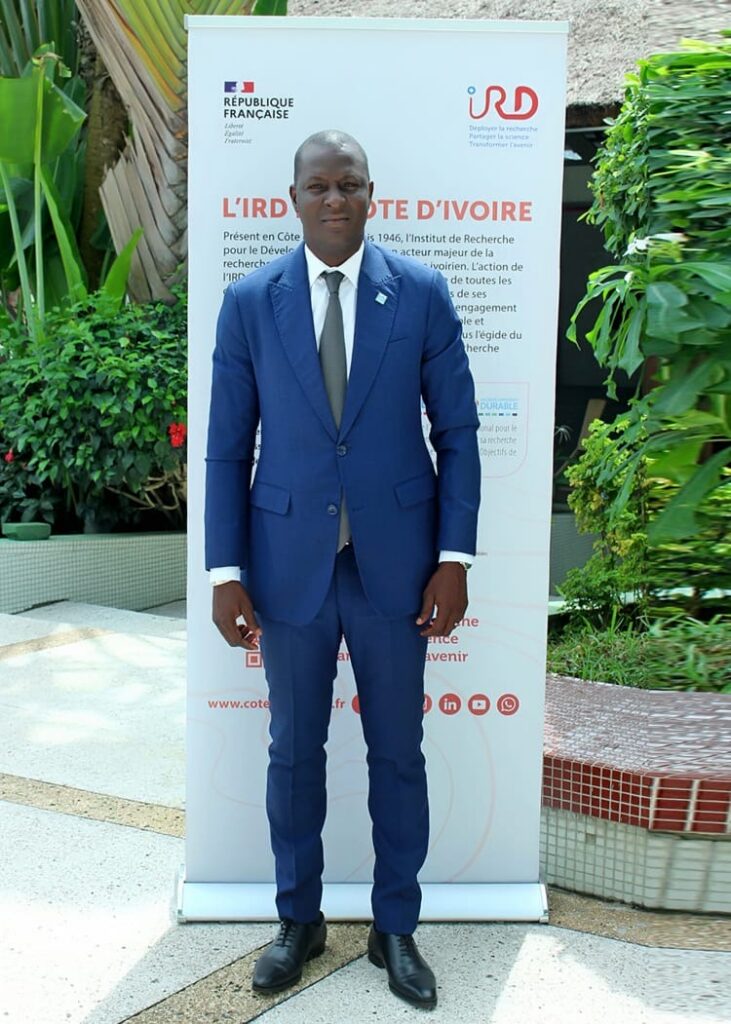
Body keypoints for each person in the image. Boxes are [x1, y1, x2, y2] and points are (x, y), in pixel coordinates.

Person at [205, 130, 480, 1010]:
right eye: (318, 186)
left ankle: (394, 927)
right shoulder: (251, 301)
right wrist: (223, 571)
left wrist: (453, 559)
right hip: (288, 566)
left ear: (371, 194)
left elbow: (458, 433)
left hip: (397, 567)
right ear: (292, 198)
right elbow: (225, 449)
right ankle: (299, 920)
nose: (334, 199)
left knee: (397, 751)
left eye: (349, 184)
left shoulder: (421, 293)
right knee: (294, 752)